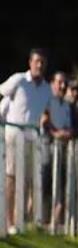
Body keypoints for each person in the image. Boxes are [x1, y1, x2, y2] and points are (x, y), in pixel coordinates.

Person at [1, 48, 53, 232]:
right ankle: (8, 222)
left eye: (42, 62)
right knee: (11, 177)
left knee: (27, 179)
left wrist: (46, 122)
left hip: (32, 136)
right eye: (37, 61)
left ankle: (19, 220)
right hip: (14, 133)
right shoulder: (19, 80)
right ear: (30, 62)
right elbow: (2, 92)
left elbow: (46, 112)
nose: (39, 65)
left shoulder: (46, 89)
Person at [41, 72, 74, 232]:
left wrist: (67, 133)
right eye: (59, 82)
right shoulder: (47, 100)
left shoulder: (66, 105)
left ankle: (54, 222)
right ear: (52, 83)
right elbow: (44, 120)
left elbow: (69, 124)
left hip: (62, 148)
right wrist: (55, 133)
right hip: (48, 146)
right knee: (44, 184)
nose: (62, 86)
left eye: (64, 83)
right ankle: (39, 219)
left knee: (61, 183)